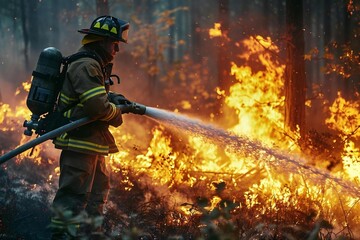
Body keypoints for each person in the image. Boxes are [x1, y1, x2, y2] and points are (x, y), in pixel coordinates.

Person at [50, 15, 132, 239]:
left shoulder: (94, 64)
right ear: (103, 41)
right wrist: (117, 113)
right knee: (72, 198)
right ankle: (61, 236)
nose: (117, 49)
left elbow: (96, 96)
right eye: (115, 43)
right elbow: (97, 107)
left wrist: (114, 97)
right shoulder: (86, 64)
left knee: (95, 200)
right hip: (80, 144)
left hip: (93, 143)